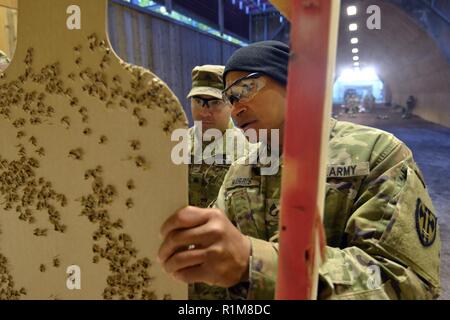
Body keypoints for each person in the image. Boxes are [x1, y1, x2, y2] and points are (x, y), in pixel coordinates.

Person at [158, 41, 440, 300]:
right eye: (229, 99)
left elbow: (404, 283)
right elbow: (211, 271)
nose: (236, 109)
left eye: (244, 89)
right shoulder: (241, 172)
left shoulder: (376, 154)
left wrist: (255, 264)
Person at [186, 65, 254, 300]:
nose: (205, 112)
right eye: (198, 101)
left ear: (231, 104)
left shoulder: (251, 151)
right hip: (183, 270)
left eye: (215, 102)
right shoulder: (174, 146)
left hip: (228, 276)